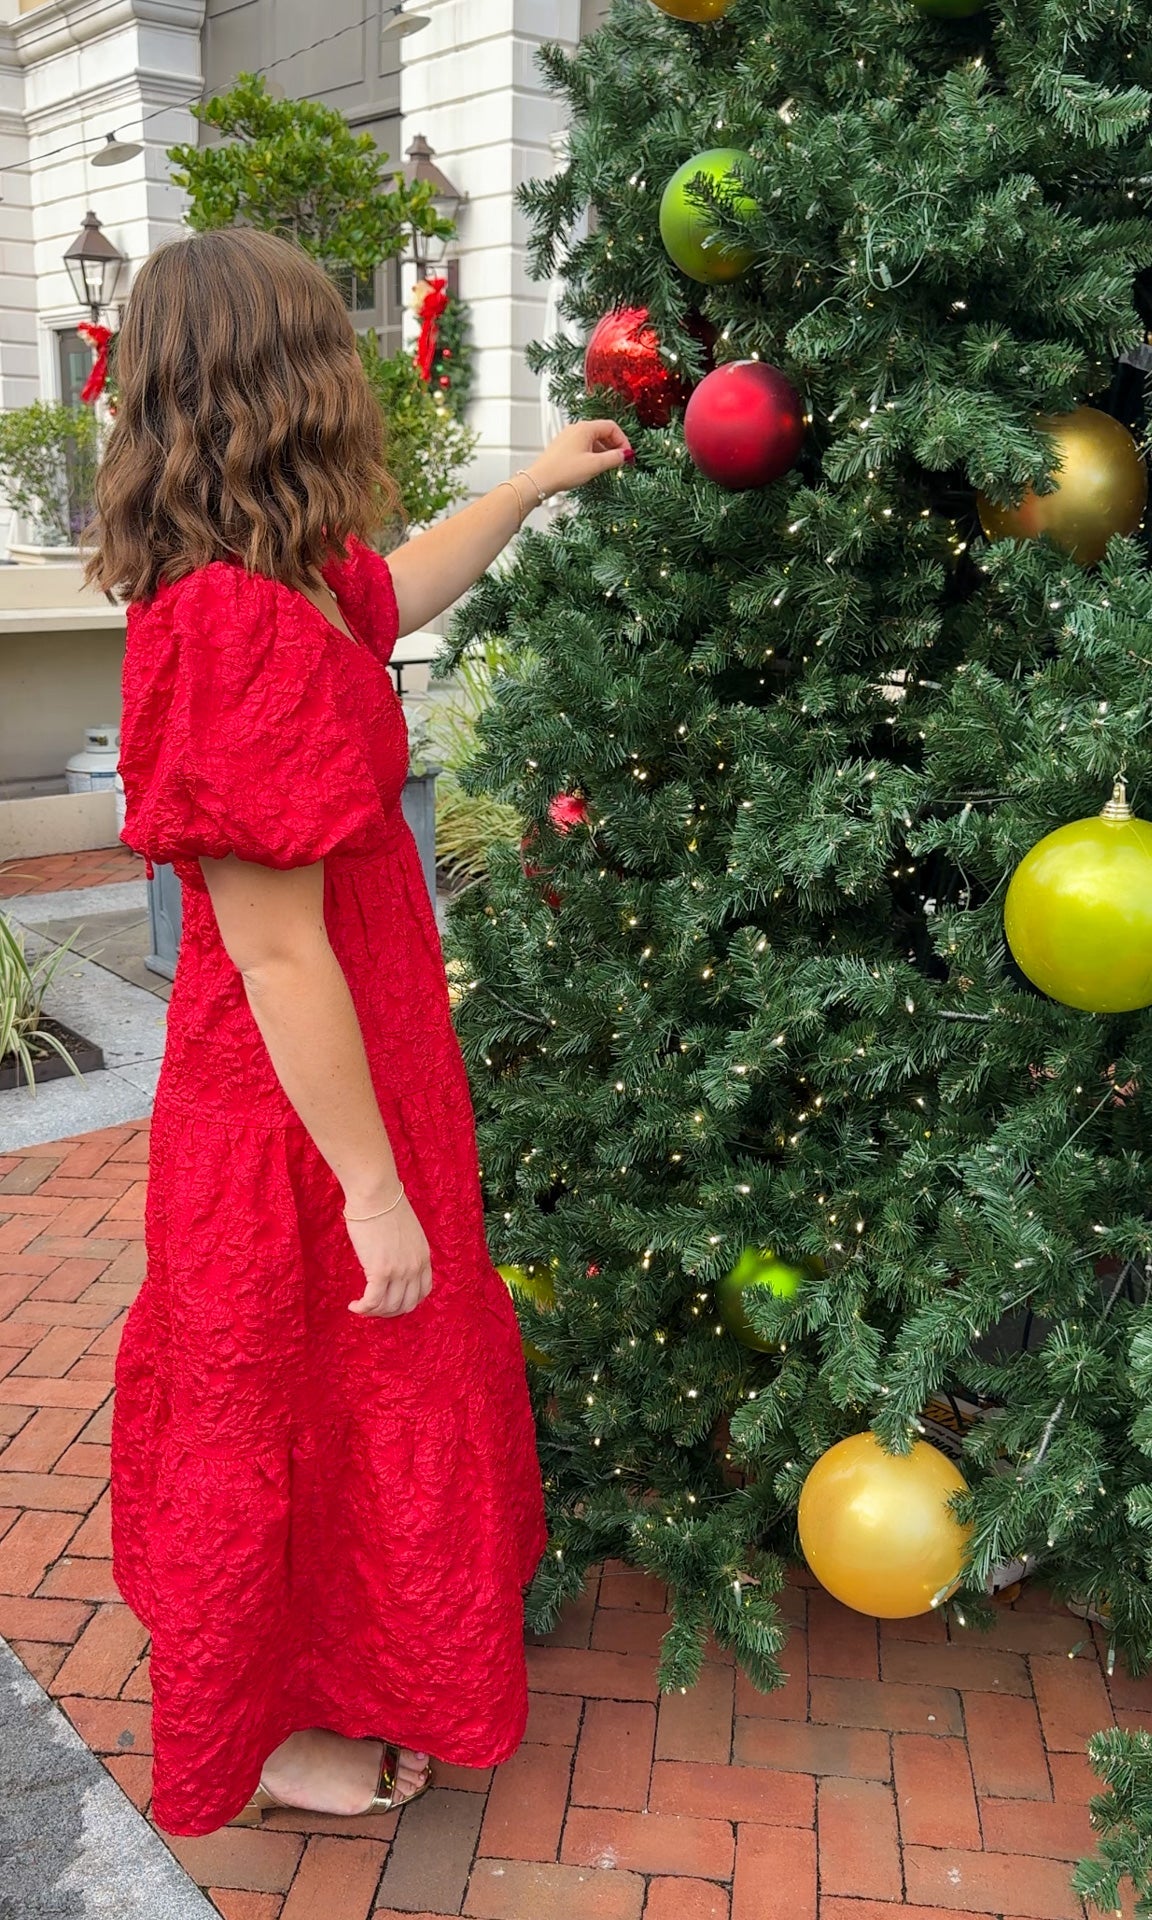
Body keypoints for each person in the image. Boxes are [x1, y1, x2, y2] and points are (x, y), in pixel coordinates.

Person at [86, 225, 632, 1838]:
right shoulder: (226, 625)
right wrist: (371, 1188)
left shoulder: (299, 583)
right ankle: (260, 1732)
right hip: (291, 1112)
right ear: (280, 380)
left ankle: (349, 1671)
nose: (356, 371)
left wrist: (531, 484)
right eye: (332, 342)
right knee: (289, 1400)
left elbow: (402, 586)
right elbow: (269, 949)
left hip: (356, 1072)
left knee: (349, 1396)